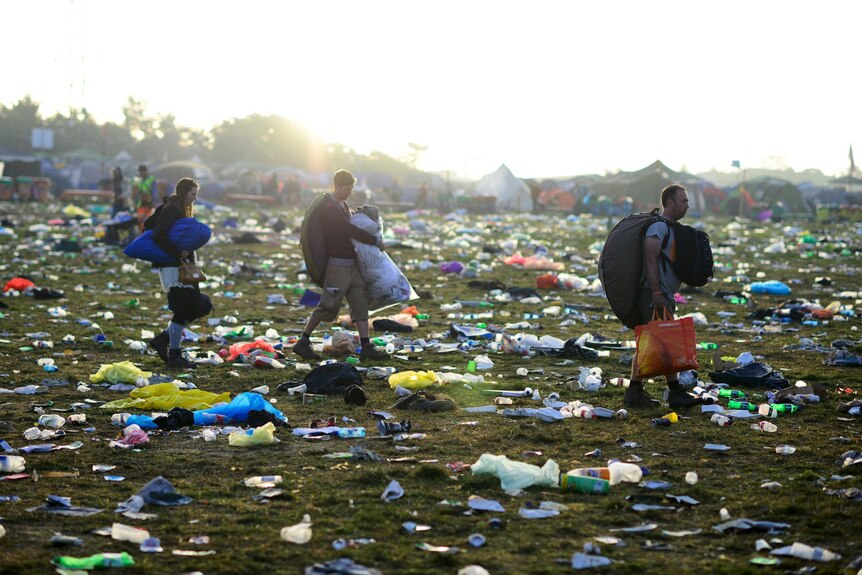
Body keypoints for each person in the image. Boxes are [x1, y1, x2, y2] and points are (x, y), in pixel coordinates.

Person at [293, 169, 389, 362]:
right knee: (328, 306)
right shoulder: (329, 208)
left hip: (352, 265)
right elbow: (347, 229)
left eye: (351, 188)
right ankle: (303, 341)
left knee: (360, 302)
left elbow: (351, 224)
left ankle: (366, 345)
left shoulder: (343, 205)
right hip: (337, 266)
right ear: (338, 186)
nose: (350, 192)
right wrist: (373, 240)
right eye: (347, 188)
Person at [624, 184, 702, 409]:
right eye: (683, 201)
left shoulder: (669, 227)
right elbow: (650, 261)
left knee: (659, 341)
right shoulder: (657, 228)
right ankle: (658, 392)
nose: (687, 205)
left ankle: (645, 391)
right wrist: (657, 292)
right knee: (657, 342)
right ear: (669, 203)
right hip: (654, 293)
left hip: (662, 293)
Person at [145, 178, 212, 369]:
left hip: (183, 266)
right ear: (184, 193)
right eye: (192, 194)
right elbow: (158, 234)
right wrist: (177, 252)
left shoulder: (178, 207)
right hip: (172, 266)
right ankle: (174, 356)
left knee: (200, 306)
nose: (194, 198)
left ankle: (163, 339)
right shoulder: (172, 209)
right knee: (183, 310)